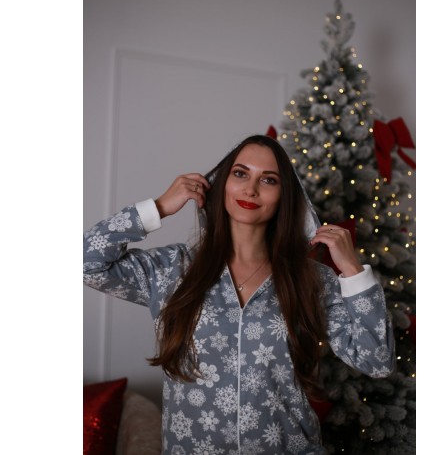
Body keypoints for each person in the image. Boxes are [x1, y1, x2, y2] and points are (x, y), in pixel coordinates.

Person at [83, 134, 395, 454]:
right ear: (222, 184)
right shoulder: (171, 269)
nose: (251, 189)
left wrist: (353, 271)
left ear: (284, 196)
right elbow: (86, 263)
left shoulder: (311, 279)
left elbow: (377, 361)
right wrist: (159, 207)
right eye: (241, 173)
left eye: (268, 180)